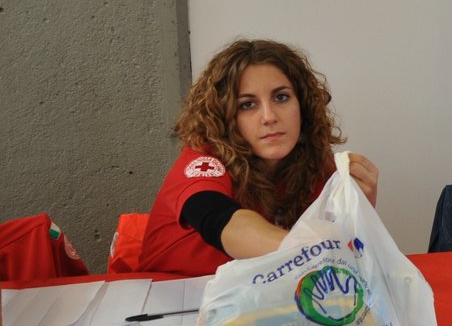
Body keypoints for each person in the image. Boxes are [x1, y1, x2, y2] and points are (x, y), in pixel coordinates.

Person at [137, 39, 379, 276]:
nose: (269, 116)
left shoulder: (313, 163)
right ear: (226, 116)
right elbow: (219, 220)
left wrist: (357, 208)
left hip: (264, 301)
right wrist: (314, 251)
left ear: (303, 105)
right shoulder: (204, 159)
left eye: (281, 97)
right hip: (167, 297)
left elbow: (350, 255)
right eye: (247, 105)